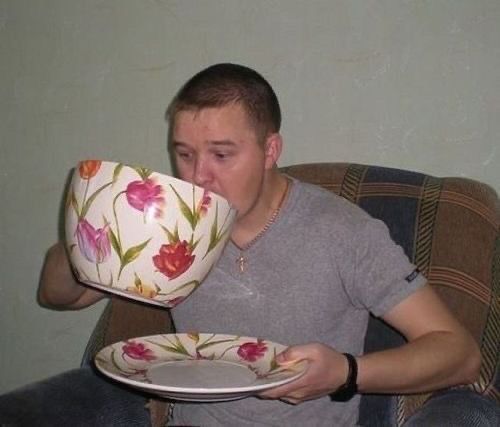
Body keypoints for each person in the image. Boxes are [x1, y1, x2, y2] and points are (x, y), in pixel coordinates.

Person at [0, 63, 482, 426]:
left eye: (221, 155)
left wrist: (346, 372)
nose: (198, 177)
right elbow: (59, 295)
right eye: (184, 154)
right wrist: (89, 231)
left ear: (271, 150)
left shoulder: (343, 232)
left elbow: (459, 353)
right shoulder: (173, 222)